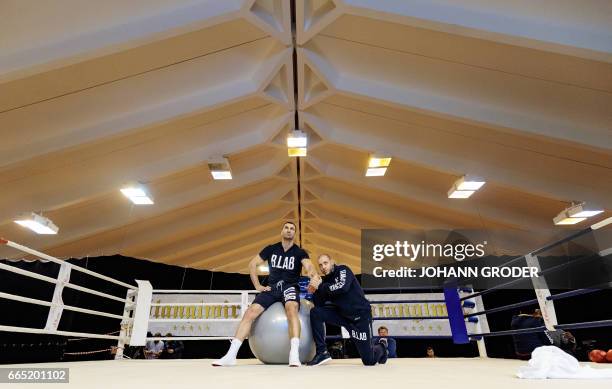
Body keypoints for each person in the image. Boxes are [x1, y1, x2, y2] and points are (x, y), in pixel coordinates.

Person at [213, 222, 318, 367]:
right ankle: (231, 355)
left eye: (292, 229)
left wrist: (313, 275)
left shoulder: (299, 252)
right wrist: (257, 286)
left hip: (289, 287)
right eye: (286, 228)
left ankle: (294, 354)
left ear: (295, 233)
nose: (289, 230)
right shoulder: (271, 249)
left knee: (292, 308)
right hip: (272, 288)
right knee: (250, 312)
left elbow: (309, 266)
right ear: (282, 231)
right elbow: (252, 264)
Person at [307, 254, 388, 366]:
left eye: (325, 263)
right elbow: (319, 304)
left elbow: (342, 287)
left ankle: (382, 346)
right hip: (343, 316)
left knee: (369, 360)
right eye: (320, 265)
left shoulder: (343, 270)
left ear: (332, 262)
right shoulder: (324, 282)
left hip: (360, 316)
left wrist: (320, 287)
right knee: (316, 313)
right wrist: (314, 290)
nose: (323, 267)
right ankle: (322, 352)